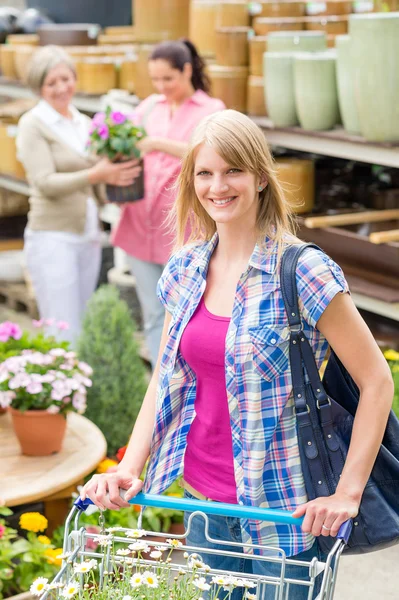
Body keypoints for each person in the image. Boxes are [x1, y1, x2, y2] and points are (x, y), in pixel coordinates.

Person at [82, 111, 393, 599]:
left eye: (233, 171)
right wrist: (129, 465)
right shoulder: (185, 267)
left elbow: (377, 382)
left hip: (287, 514)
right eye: (204, 173)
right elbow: (165, 376)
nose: (217, 186)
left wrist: (347, 493)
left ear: (261, 178)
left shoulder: (302, 271)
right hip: (204, 503)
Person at [111, 39, 225, 367]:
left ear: (187, 70)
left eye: (168, 79)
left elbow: (210, 152)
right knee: (152, 313)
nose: (162, 87)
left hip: (184, 232)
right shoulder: (148, 107)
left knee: (188, 316)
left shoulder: (212, 110)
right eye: (156, 80)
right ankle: (159, 391)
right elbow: (125, 147)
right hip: (139, 226)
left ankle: (186, 385)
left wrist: (158, 143)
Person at [17, 45, 140, 346]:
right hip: (53, 237)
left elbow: (92, 183)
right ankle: (60, 392)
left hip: (88, 233)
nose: (61, 88)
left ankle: (75, 391)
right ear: (39, 87)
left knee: (81, 324)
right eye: (51, 83)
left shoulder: (83, 122)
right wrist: (98, 175)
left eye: (66, 79)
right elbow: (44, 182)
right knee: (62, 331)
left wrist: (113, 191)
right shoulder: (32, 125)